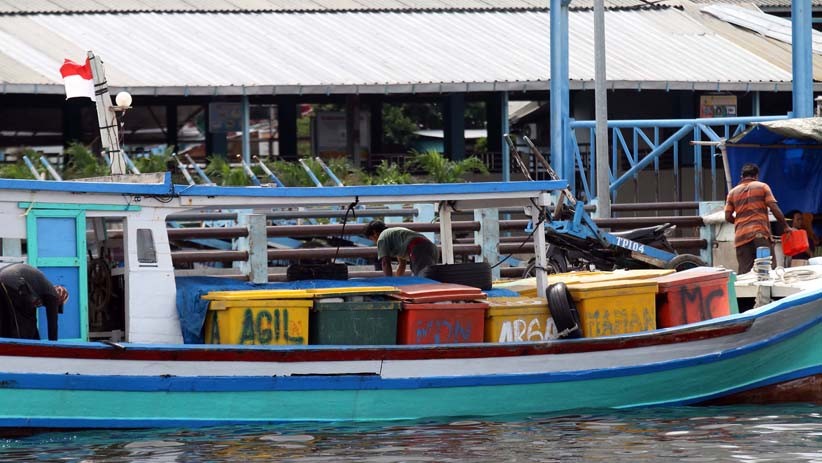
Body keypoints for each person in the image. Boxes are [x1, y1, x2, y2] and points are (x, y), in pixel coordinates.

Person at [724, 163, 792, 274]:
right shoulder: (762, 187)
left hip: (741, 237)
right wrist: (785, 226)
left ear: (742, 176)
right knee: (766, 270)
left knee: (745, 273)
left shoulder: (732, 193)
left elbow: (727, 217)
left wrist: (740, 223)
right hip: (759, 234)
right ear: (756, 176)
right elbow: (774, 208)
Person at [0, 263, 69, 341]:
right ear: (59, 299)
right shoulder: (53, 295)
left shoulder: (40, 288)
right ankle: (23, 348)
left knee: (6, 319)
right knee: (23, 322)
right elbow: (52, 326)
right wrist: (54, 347)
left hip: (5, 277)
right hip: (14, 281)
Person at [363, 220, 439, 277]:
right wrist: (397, 283)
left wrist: (390, 283)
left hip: (418, 248)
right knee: (428, 276)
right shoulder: (395, 236)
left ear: (375, 232)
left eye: (372, 238)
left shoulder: (382, 237)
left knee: (422, 278)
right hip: (432, 248)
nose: (374, 242)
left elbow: (385, 263)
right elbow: (402, 265)